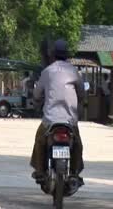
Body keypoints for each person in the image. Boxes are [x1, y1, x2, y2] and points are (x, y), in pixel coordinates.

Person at [30, 39, 85, 185]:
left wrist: (36, 103)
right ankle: (74, 173)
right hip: (69, 120)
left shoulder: (47, 71)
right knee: (78, 143)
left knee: (39, 140)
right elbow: (82, 93)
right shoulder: (73, 71)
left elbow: (37, 94)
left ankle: (40, 171)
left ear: (52, 55)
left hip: (50, 120)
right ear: (67, 55)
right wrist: (80, 103)